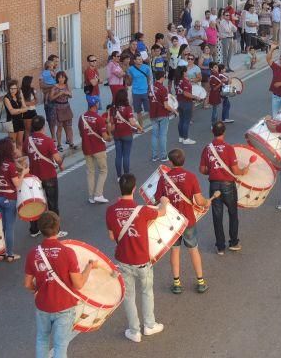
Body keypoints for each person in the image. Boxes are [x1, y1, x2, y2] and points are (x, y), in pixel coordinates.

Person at [106, 174, 169, 343]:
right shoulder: (142, 210)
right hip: (142, 260)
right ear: (134, 189)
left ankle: (134, 331)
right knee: (147, 292)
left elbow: (112, 236)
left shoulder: (111, 210)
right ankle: (149, 325)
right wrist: (164, 201)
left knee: (129, 295)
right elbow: (162, 212)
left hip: (123, 259)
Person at [24, 211, 94, 358]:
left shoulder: (33, 253)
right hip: (64, 307)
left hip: (42, 305)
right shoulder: (67, 252)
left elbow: (27, 284)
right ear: (58, 227)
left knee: (42, 339)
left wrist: (36, 291)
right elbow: (79, 283)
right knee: (60, 346)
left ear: (40, 229)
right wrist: (89, 267)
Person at [155, 148, 213, 294]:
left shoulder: (164, 178)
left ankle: (177, 283)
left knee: (175, 251)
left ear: (170, 161)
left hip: (172, 222)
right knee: (193, 249)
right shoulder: (191, 176)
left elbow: (157, 200)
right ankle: (200, 281)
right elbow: (199, 201)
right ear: (183, 160)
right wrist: (207, 202)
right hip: (188, 220)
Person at [199, 121, 247, 254]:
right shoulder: (228, 148)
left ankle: (220, 247)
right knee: (232, 213)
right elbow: (236, 171)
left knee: (217, 216)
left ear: (212, 132)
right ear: (224, 132)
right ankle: (233, 242)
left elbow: (202, 169)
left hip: (214, 186)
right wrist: (245, 170)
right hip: (228, 186)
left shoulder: (207, 148)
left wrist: (214, 172)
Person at [0, 137, 27, 262]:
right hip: (10, 198)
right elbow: (17, 184)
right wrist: (24, 173)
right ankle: (10, 254)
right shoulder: (10, 165)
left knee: (1, 226)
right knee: (9, 227)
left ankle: (1, 252)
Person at [28, 116, 66, 238]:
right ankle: (56, 230)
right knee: (53, 204)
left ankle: (34, 229)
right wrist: (60, 163)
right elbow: (57, 158)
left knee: (35, 204)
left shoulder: (28, 141)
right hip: (49, 176)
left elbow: (22, 155)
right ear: (43, 127)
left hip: (34, 177)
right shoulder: (48, 140)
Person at [78, 96, 111, 204]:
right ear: (96, 104)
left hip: (86, 148)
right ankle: (98, 194)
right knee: (103, 170)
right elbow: (105, 137)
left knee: (90, 172)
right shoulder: (99, 119)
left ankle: (91, 196)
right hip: (98, 148)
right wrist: (110, 137)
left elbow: (81, 133)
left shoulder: (81, 117)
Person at [109, 89, 143, 179]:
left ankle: (119, 176)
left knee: (118, 156)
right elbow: (132, 122)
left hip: (117, 134)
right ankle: (126, 175)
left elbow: (111, 123)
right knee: (126, 155)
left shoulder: (113, 108)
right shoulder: (128, 108)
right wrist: (139, 127)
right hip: (127, 134)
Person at [148, 71, 175, 163]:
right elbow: (166, 105)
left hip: (153, 114)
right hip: (162, 114)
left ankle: (154, 156)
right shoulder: (163, 89)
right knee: (163, 135)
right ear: (163, 77)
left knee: (154, 135)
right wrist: (175, 111)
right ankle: (163, 156)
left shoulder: (150, 87)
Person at [50, 71, 76, 152]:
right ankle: (59, 144)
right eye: (59, 77)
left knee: (69, 126)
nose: (61, 79)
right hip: (58, 107)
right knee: (60, 127)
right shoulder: (54, 87)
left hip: (66, 107)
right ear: (57, 78)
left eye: (63, 77)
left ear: (65, 78)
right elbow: (51, 98)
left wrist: (66, 93)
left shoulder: (66, 85)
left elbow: (71, 95)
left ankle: (71, 143)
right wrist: (59, 94)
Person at [173, 66, 197, 145]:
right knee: (186, 121)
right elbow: (186, 93)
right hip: (186, 103)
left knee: (181, 120)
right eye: (186, 71)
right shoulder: (184, 81)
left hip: (179, 102)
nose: (187, 72)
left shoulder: (176, 80)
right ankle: (186, 138)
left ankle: (181, 137)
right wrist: (195, 97)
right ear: (183, 72)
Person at [128, 53, 152, 126]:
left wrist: (149, 88)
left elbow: (149, 78)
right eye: (138, 59)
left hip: (145, 91)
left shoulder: (146, 67)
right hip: (135, 92)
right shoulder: (131, 69)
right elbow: (130, 81)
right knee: (138, 111)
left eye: (141, 59)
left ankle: (154, 123)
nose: (140, 60)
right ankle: (141, 127)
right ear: (134, 61)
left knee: (149, 109)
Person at [3, 79, 28, 150]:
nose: (13, 90)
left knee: (20, 142)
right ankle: (13, 160)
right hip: (11, 122)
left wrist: (17, 110)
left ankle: (19, 158)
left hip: (20, 120)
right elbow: (11, 112)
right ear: (8, 89)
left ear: (17, 88)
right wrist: (21, 110)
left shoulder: (19, 95)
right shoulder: (6, 98)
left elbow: (25, 108)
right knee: (12, 143)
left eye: (14, 88)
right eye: (11, 88)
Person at [21, 75, 38, 144]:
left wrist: (30, 103)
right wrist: (31, 103)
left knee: (33, 129)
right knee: (27, 130)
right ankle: (27, 144)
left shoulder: (33, 90)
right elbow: (22, 103)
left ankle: (31, 143)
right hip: (26, 112)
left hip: (33, 111)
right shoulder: (21, 91)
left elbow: (36, 100)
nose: (33, 83)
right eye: (31, 82)